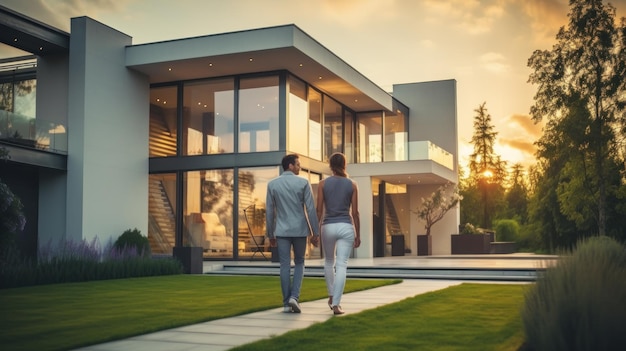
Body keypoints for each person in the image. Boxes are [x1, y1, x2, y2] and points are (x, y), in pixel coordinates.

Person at [266, 153, 320, 313]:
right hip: (300, 230)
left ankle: (285, 303)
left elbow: (270, 212)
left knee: (284, 265)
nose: (300, 167)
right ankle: (294, 297)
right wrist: (315, 232)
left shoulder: (272, 184)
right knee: (299, 262)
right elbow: (310, 209)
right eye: (298, 164)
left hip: (281, 231)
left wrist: (270, 234)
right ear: (290, 165)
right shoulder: (303, 182)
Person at [316, 152, 360, 315]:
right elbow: (355, 213)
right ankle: (336, 304)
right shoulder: (353, 184)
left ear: (330, 165)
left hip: (328, 226)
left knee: (329, 262)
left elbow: (319, 210)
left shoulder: (322, 184)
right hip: (346, 226)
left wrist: (314, 231)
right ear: (344, 165)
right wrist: (358, 234)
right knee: (341, 265)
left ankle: (331, 295)